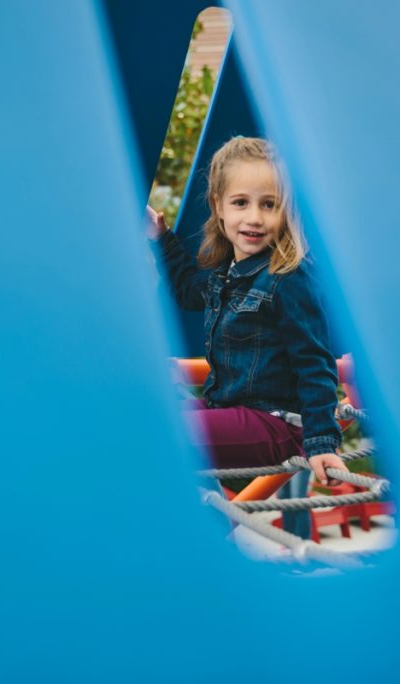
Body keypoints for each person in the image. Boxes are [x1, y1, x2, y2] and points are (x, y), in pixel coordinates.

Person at [146, 136, 346, 487]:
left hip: (276, 424)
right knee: (144, 416)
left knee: (161, 431)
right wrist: (161, 237)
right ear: (218, 205)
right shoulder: (227, 275)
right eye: (241, 202)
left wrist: (321, 442)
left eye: (269, 205)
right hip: (229, 415)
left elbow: (315, 362)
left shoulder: (288, 278)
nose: (254, 217)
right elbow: (187, 290)